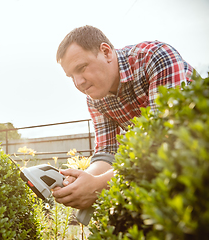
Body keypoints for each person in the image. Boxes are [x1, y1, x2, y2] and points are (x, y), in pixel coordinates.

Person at [52, 25, 195, 210]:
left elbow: (166, 139)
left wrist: (99, 185)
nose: (78, 82)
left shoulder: (155, 57)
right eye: (71, 76)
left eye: (82, 68)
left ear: (106, 52)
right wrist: (85, 181)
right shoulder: (95, 98)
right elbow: (107, 152)